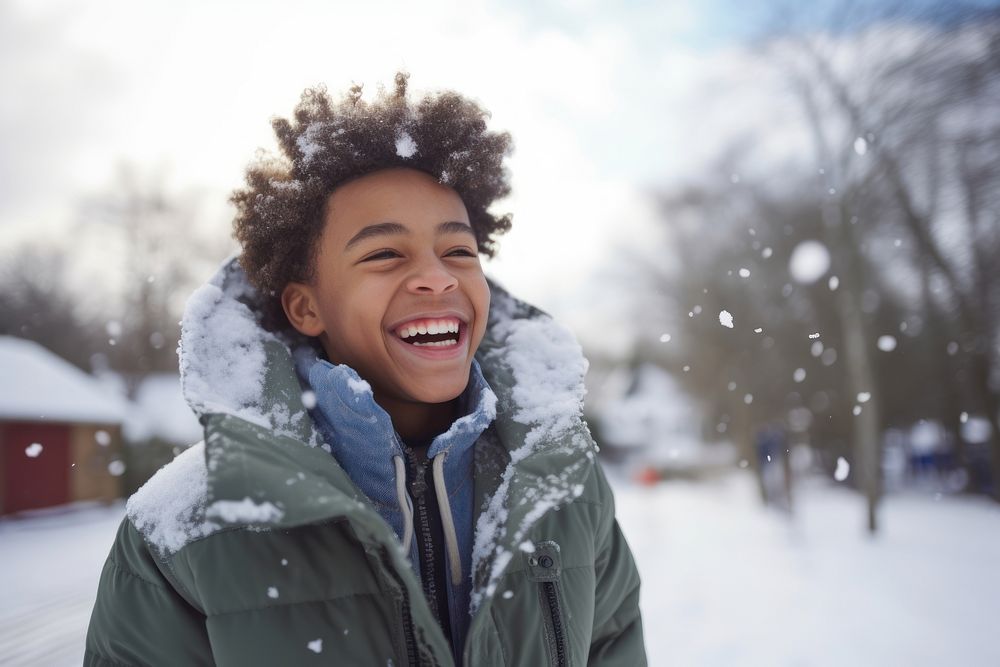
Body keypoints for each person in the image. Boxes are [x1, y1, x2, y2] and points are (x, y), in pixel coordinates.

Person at [85, 72, 646, 666]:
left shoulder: (563, 488)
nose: (438, 276)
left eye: (459, 250)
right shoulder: (186, 528)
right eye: (384, 253)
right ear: (307, 306)